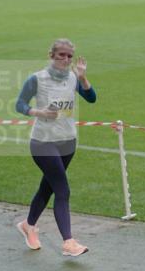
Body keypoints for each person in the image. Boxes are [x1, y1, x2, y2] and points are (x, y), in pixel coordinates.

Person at [14, 39, 96, 257]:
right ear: (51, 55)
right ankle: (68, 242)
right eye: (61, 55)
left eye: (70, 56)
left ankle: (28, 225)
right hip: (43, 142)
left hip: (68, 142)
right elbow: (19, 104)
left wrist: (82, 77)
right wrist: (39, 113)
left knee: (47, 188)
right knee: (62, 190)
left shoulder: (72, 78)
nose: (66, 59)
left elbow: (92, 98)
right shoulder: (37, 79)